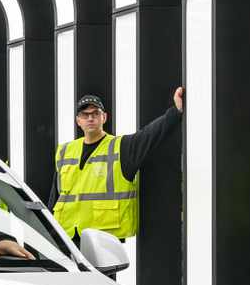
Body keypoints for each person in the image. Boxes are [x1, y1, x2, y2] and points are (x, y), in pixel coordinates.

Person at [52, 87, 185, 240]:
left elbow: (150, 134)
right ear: (78, 121)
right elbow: (55, 198)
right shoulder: (65, 151)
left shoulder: (121, 147)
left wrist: (176, 111)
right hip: (65, 238)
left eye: (95, 113)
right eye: (85, 114)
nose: (90, 118)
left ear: (104, 117)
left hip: (103, 240)